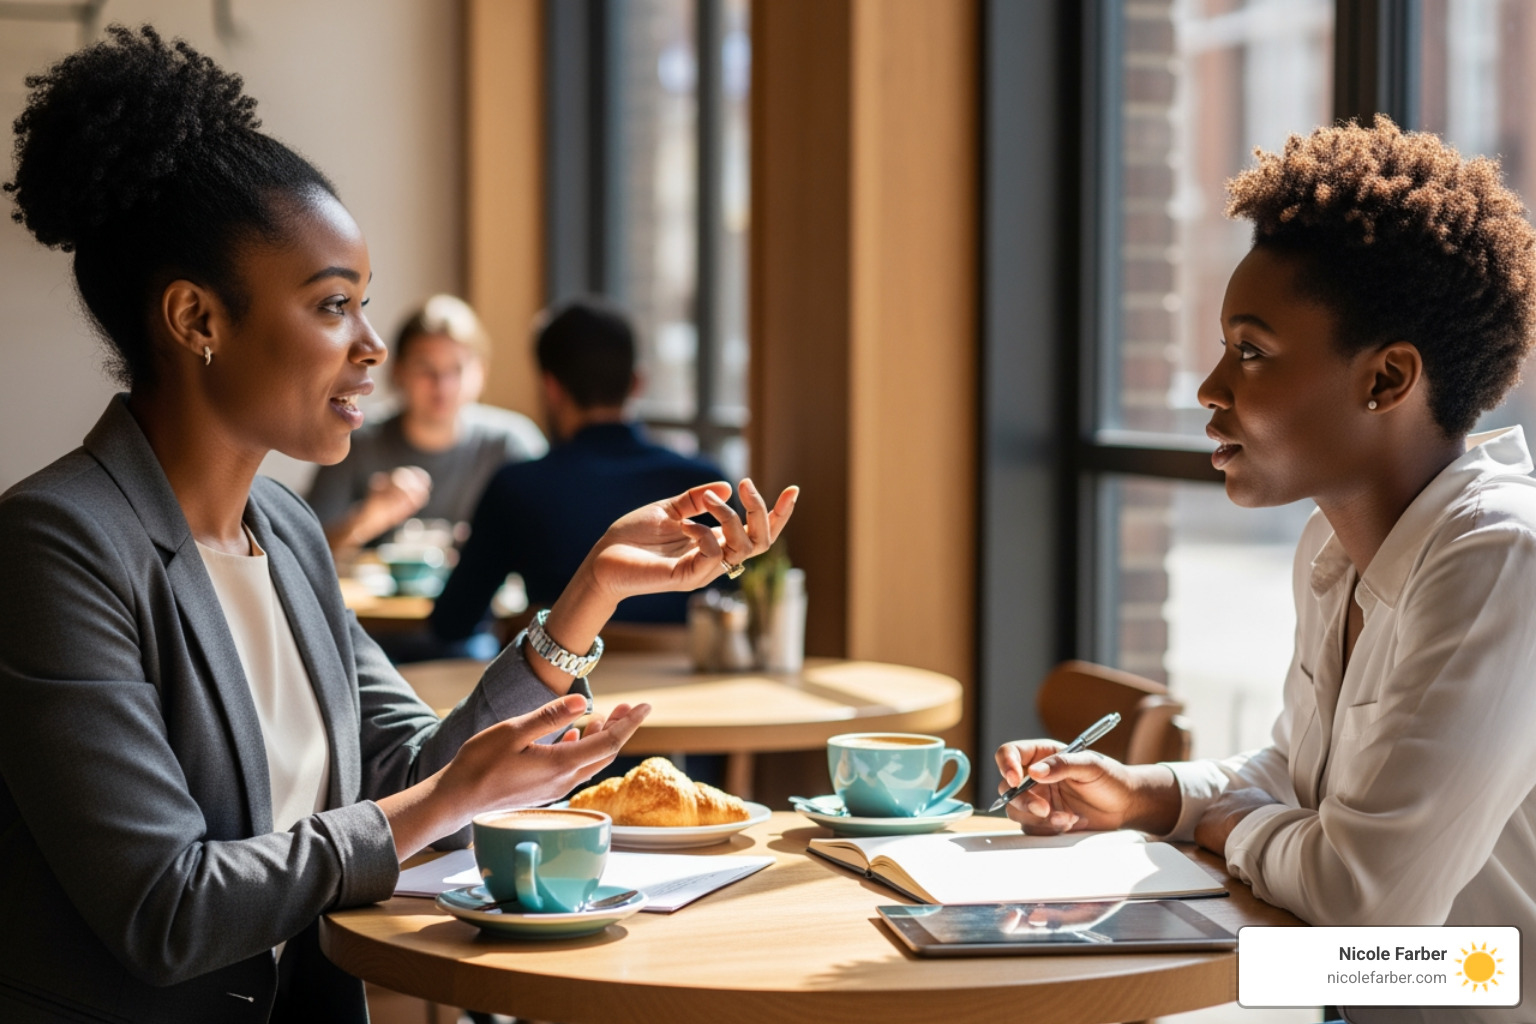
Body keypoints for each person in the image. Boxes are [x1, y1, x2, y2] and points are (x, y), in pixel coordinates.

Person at [0, 27, 797, 1023]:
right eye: (335, 306)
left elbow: (413, 773)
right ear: (197, 319)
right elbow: (167, 907)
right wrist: (445, 800)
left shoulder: (284, 533)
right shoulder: (56, 545)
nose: (374, 348)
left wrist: (590, 592)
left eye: (366, 306)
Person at [995, 118, 1536, 1024]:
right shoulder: (1336, 547)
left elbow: (1365, 902)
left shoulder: (1499, 560)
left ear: (1387, 379)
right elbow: (1298, 777)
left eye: (1250, 351)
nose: (1211, 388)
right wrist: (1148, 796)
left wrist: (1225, 827)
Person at [430, 298, 726, 644]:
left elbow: (452, 623)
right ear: (636, 383)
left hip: (559, 692)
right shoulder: (705, 487)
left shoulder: (518, 488)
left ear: (551, 387)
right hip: (696, 691)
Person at [305, 293, 546, 560]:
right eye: (425, 368)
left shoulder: (511, 443)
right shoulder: (354, 441)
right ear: (398, 372)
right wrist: (368, 518)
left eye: (457, 369)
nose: (442, 385)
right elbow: (304, 552)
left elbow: (551, 535)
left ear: (481, 373)